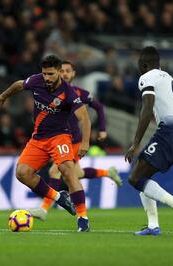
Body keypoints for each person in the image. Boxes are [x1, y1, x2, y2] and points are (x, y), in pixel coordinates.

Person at [0, 55, 92, 232]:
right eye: (44, 73)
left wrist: (85, 143)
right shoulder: (36, 81)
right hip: (38, 138)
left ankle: (82, 218)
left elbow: (84, 117)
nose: (46, 78)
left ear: (59, 72)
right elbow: (18, 85)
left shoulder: (68, 92)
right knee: (22, 173)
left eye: (51, 74)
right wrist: (3, 96)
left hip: (59, 137)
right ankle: (59, 198)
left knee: (67, 170)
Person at [29, 61, 122, 221]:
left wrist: (102, 129)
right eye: (62, 71)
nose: (65, 74)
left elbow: (99, 107)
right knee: (76, 174)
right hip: (58, 140)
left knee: (54, 171)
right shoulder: (51, 91)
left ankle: (44, 209)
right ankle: (108, 172)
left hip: (73, 141)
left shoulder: (80, 93)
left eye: (68, 71)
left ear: (74, 74)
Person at [125, 46, 173, 236]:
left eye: (139, 65)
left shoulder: (147, 77)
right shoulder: (171, 79)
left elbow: (146, 108)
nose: (139, 69)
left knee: (134, 178)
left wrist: (136, 142)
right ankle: (153, 226)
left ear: (144, 64)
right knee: (142, 175)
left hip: (170, 131)